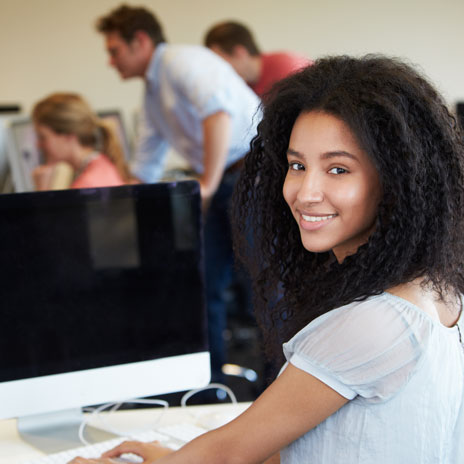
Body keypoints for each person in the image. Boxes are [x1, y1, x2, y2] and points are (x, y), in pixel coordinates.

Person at [71, 55, 464, 463]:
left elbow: (228, 454)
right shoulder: (439, 293)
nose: (305, 192)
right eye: (297, 165)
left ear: (396, 180)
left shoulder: (376, 322)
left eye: (338, 170)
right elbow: (322, 443)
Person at [95, 5, 260, 384]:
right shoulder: (154, 93)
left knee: (260, 284)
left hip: (249, 173)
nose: (110, 61)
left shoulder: (183, 62)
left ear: (140, 41)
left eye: (114, 50)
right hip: (225, 182)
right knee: (207, 284)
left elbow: (218, 114)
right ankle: (211, 381)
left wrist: (208, 182)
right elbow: (146, 165)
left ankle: (274, 384)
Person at [32, 93, 130, 190]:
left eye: (42, 137)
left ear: (68, 135)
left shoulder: (85, 187)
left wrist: (43, 191)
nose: (38, 145)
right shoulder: (101, 163)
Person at [204, 21, 310, 97]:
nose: (217, 67)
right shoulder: (243, 85)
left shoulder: (286, 66)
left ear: (239, 52)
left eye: (219, 60)